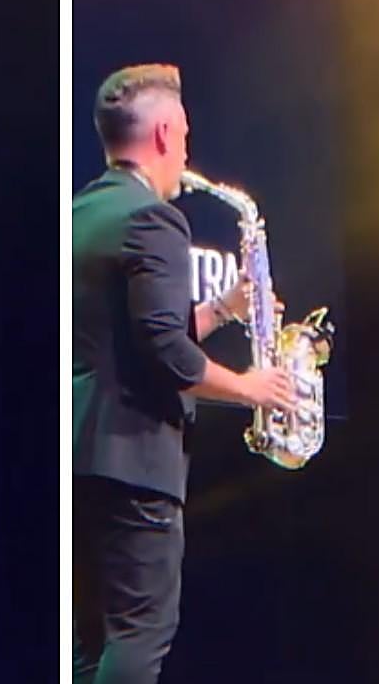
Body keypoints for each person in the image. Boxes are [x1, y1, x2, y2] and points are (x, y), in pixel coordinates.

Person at [72, 63, 298, 683]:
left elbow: (130, 336)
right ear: (165, 134)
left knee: (90, 643)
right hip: (135, 462)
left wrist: (222, 309)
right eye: (186, 137)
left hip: (80, 455)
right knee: (141, 633)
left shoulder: (82, 211)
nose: (187, 156)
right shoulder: (155, 218)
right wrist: (250, 387)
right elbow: (166, 355)